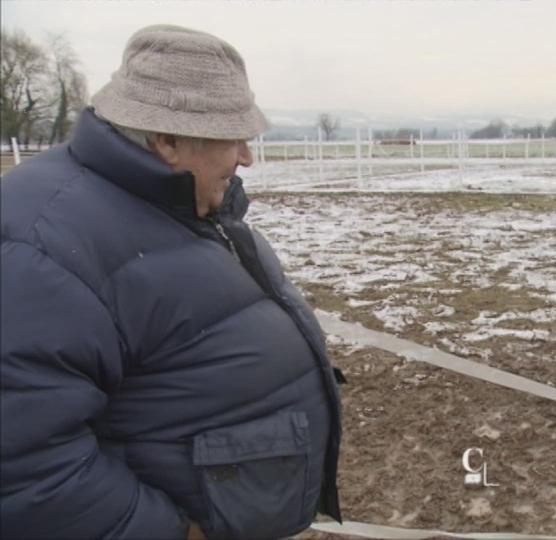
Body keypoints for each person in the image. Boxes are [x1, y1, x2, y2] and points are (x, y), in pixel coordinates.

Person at [1, 25, 342, 539]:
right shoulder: (41, 246)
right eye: (233, 138)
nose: (246, 157)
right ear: (167, 142)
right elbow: (24, 464)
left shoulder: (173, 199)